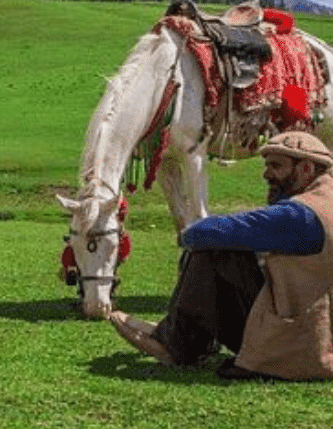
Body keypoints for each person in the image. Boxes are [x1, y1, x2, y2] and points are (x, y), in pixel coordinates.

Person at [110, 130, 333, 380]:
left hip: (298, 345)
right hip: (318, 337)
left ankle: (176, 345)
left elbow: (202, 233)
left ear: (306, 169)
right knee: (234, 249)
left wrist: (187, 236)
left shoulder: (301, 216)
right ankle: (177, 335)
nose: (266, 174)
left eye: (276, 166)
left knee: (213, 248)